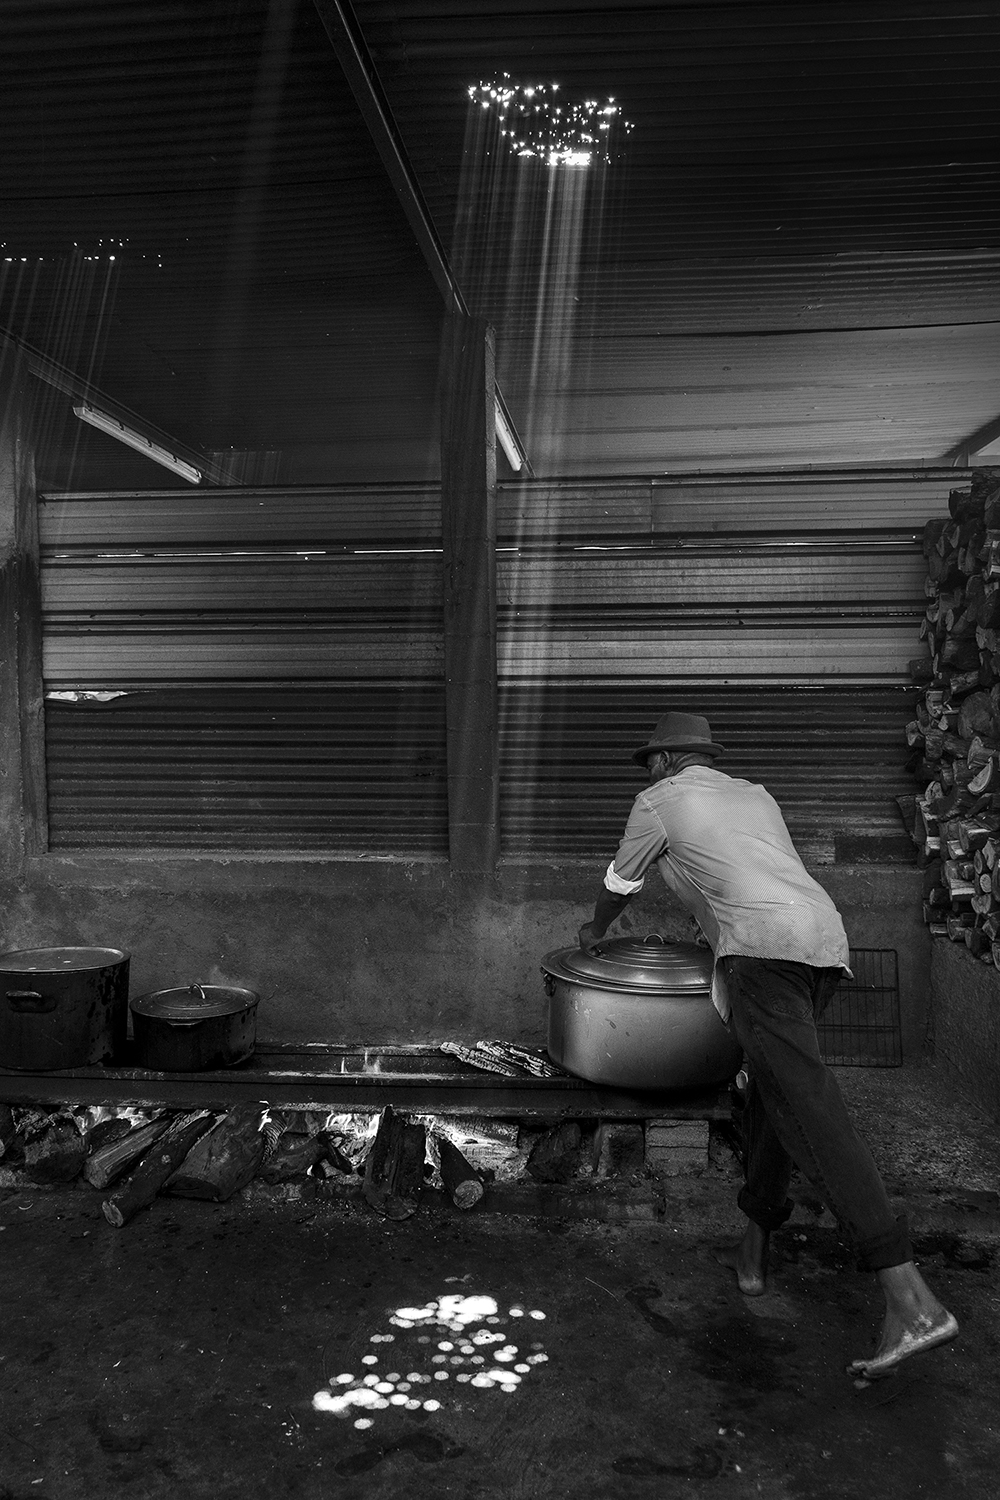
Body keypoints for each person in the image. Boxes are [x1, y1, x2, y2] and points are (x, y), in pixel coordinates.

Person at [578, 710, 958, 1381]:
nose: (647, 773)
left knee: (811, 1112)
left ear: (664, 761)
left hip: (763, 958)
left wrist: (592, 930)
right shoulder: (752, 795)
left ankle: (911, 1297)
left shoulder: (658, 801)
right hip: (819, 945)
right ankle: (753, 1250)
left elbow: (620, 883)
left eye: (649, 763)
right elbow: (747, 877)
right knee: (768, 1097)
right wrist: (712, 933)